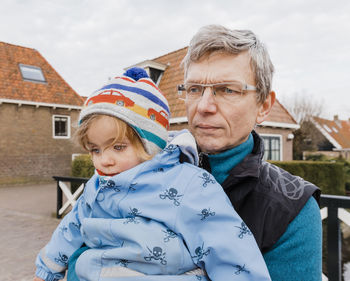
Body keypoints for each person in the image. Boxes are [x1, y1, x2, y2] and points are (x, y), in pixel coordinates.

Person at [34, 67, 271, 281]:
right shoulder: (99, 185)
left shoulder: (187, 183)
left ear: (150, 146)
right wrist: (46, 271)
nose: (104, 160)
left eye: (118, 147)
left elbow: (225, 242)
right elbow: (72, 226)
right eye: (95, 149)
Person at [178, 24, 322, 280]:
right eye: (194, 89)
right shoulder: (143, 170)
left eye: (227, 90)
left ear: (264, 105)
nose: (204, 105)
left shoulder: (292, 210)